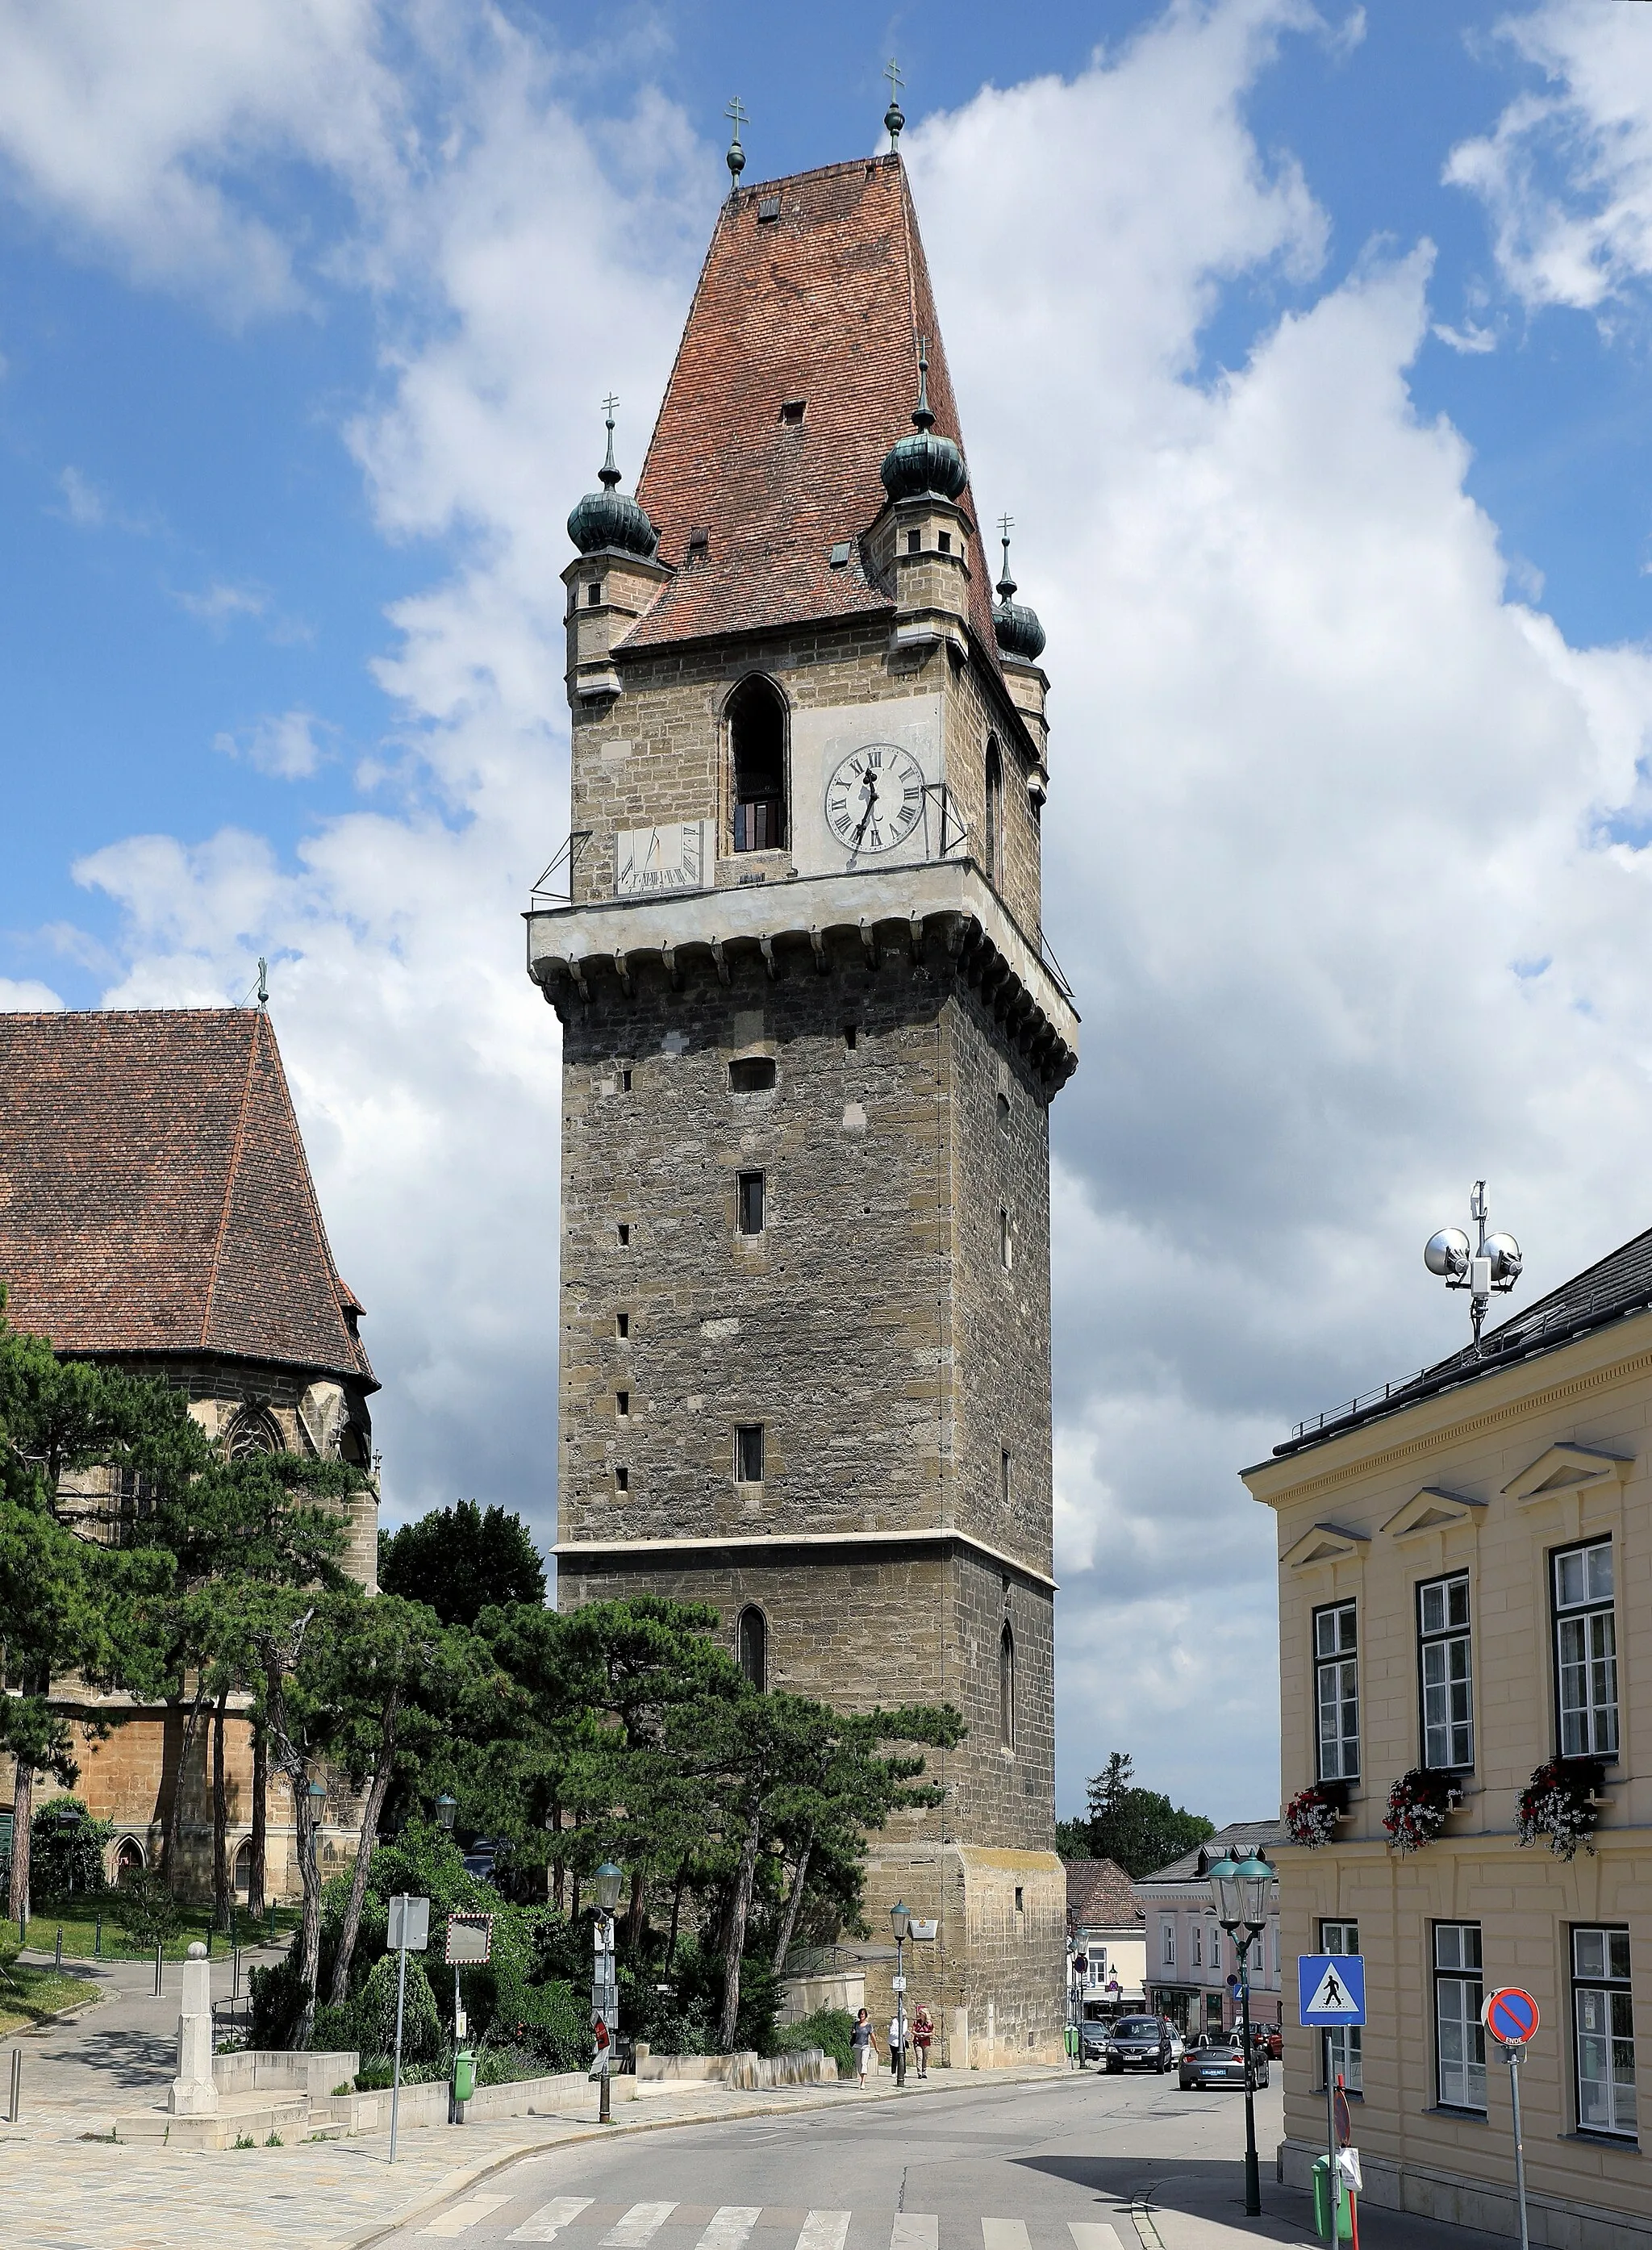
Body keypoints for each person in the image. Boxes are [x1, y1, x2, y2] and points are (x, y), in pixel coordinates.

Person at [851, 2006, 874, 2087]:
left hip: (865, 2046)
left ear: (866, 2015)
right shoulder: (855, 2024)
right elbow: (853, 2035)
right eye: (861, 2014)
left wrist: (876, 2047)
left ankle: (863, 2082)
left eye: (863, 2014)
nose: (862, 2016)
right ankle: (862, 2078)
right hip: (857, 2046)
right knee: (858, 2064)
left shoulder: (869, 2026)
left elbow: (872, 2037)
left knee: (864, 2063)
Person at [912, 2003, 933, 2079]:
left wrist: (926, 2034)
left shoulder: (929, 2024)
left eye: (921, 2014)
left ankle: (924, 2072)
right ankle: (919, 2072)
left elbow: (932, 2033)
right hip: (917, 2041)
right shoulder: (916, 2022)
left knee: (925, 2058)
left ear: (924, 2015)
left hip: (926, 2042)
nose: (919, 2015)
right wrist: (918, 2034)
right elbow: (913, 2031)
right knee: (919, 2057)